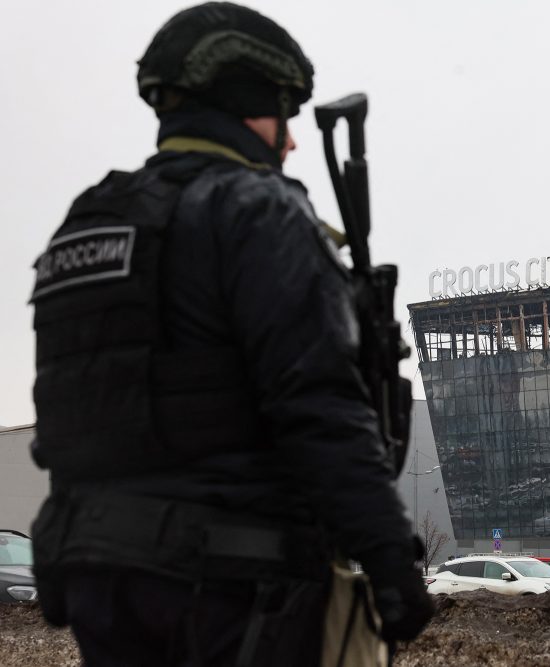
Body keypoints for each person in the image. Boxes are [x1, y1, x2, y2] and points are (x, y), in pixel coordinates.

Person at [28, 3, 433, 665]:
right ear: (246, 104)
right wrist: (389, 555)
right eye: (285, 114)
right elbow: (319, 402)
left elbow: (69, 415)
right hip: (231, 585)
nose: (293, 142)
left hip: (105, 582)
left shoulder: (87, 227)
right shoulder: (256, 209)